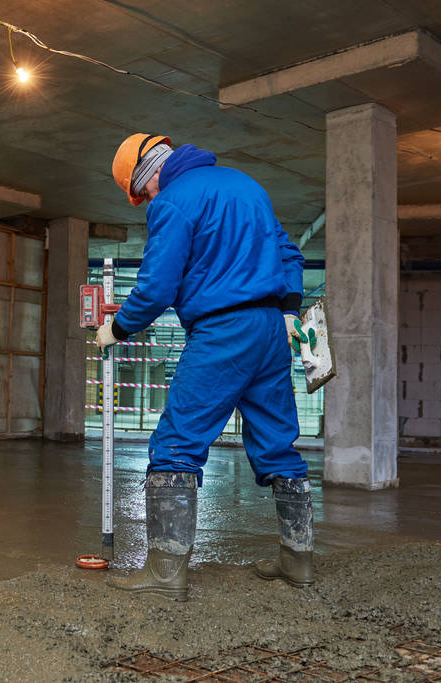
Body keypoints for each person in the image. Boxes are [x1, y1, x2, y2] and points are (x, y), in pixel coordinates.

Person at [98, 134, 314, 601]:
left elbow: (157, 286)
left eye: (144, 194)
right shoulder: (246, 185)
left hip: (222, 332)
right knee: (279, 444)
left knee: (175, 444)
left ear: (148, 175)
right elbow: (289, 253)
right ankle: (298, 561)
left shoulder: (173, 200)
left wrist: (117, 328)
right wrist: (290, 309)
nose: (148, 202)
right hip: (272, 328)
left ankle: (165, 571)